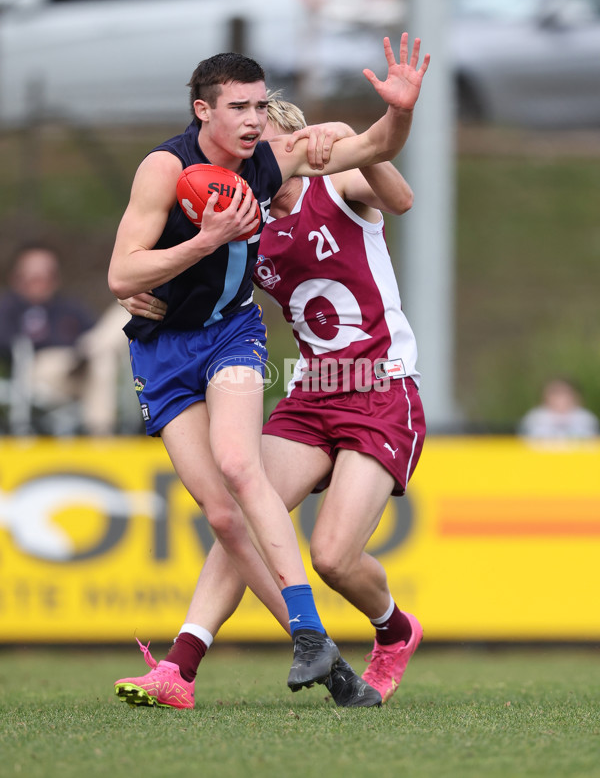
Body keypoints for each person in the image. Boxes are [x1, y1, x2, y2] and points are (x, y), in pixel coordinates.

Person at [108, 35, 429, 696]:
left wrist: (386, 118)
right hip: (313, 390)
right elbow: (187, 268)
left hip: (377, 383)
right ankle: (181, 663)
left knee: (333, 555)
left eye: (277, 129)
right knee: (238, 509)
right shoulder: (246, 229)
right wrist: (146, 290)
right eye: (247, 120)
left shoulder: (335, 184)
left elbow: (392, 186)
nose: (265, 141)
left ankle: (393, 627)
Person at [0, 242, 121, 435]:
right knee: (99, 354)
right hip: (37, 370)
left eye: (47, 274)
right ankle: (102, 435)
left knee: (104, 356)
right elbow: (6, 343)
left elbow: (95, 332)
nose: (41, 280)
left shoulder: (69, 306)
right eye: (33, 275)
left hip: (80, 365)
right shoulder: (8, 306)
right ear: (17, 277)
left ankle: (101, 436)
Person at [518, 377, 599, 440]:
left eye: (564, 392)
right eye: (555, 392)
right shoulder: (535, 418)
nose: (560, 398)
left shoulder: (585, 418)